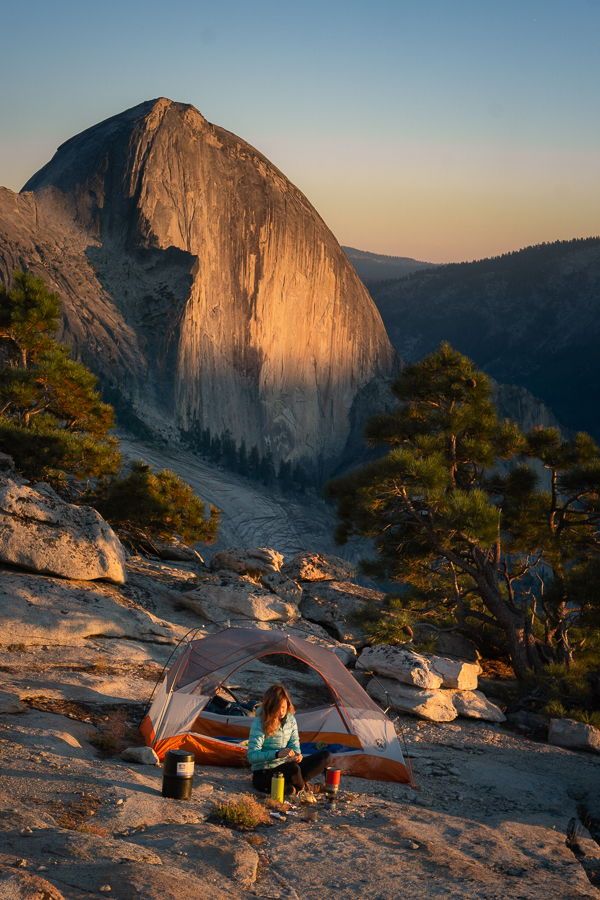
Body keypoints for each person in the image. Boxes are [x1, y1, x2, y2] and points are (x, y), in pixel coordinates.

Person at [247, 684, 331, 796]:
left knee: (325, 757)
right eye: (278, 709)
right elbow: (252, 756)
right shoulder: (259, 722)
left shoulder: (290, 720)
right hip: (265, 772)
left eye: (283, 707)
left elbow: (294, 743)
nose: (281, 712)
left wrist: (297, 755)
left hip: (287, 766)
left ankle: (292, 787)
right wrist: (276, 754)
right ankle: (306, 788)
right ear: (270, 707)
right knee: (293, 768)